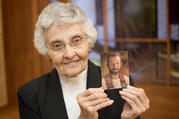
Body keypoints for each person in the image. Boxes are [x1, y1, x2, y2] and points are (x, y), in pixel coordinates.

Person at [17, 2, 150, 119]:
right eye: (57, 45)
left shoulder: (118, 82)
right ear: (47, 52)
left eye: (76, 41)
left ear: (89, 42)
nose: (69, 54)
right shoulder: (29, 94)